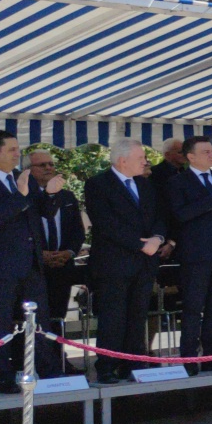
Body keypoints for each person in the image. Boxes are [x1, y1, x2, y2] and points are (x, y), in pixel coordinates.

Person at [0, 132, 67, 390]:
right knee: (0, 323)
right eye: (12, 149)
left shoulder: (22, 177)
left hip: (30, 264)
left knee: (39, 321)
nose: (18, 154)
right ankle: (4, 376)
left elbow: (43, 212)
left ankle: (47, 369)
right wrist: (21, 196)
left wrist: (50, 194)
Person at [84, 138, 168, 383]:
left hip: (144, 264)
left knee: (137, 315)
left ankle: (133, 363)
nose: (145, 162)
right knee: (113, 317)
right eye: (140, 158)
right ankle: (107, 366)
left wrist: (158, 238)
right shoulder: (98, 184)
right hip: (114, 264)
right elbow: (105, 224)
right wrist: (141, 244)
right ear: (122, 160)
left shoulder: (145, 184)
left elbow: (160, 215)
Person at [166, 137, 212, 370]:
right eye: (206, 152)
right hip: (195, 254)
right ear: (191, 156)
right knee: (193, 307)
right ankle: (188, 356)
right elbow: (180, 214)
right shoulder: (177, 182)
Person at [24, 146, 83, 336]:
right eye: (42, 165)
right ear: (28, 170)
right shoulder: (24, 197)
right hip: (34, 268)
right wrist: (39, 254)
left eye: (51, 164)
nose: (49, 168)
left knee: (58, 317)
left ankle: (58, 353)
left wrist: (69, 253)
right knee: (34, 319)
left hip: (62, 266)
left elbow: (77, 231)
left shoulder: (66, 197)